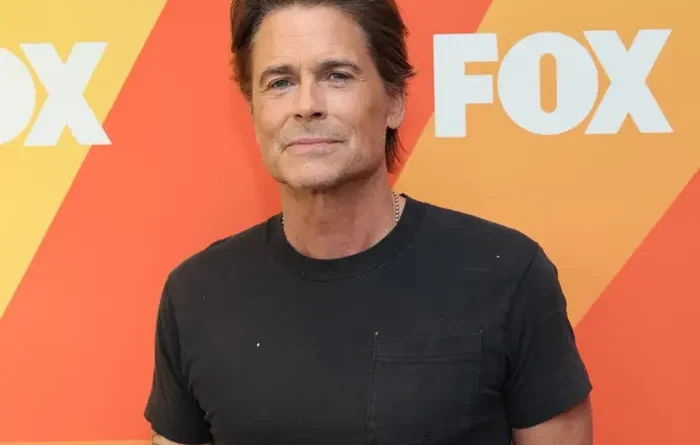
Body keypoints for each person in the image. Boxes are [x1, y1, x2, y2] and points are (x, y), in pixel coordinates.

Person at [145, 0, 594, 444]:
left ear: (394, 100)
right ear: (253, 110)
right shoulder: (196, 296)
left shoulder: (508, 276)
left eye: (337, 76)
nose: (306, 105)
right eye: (280, 82)